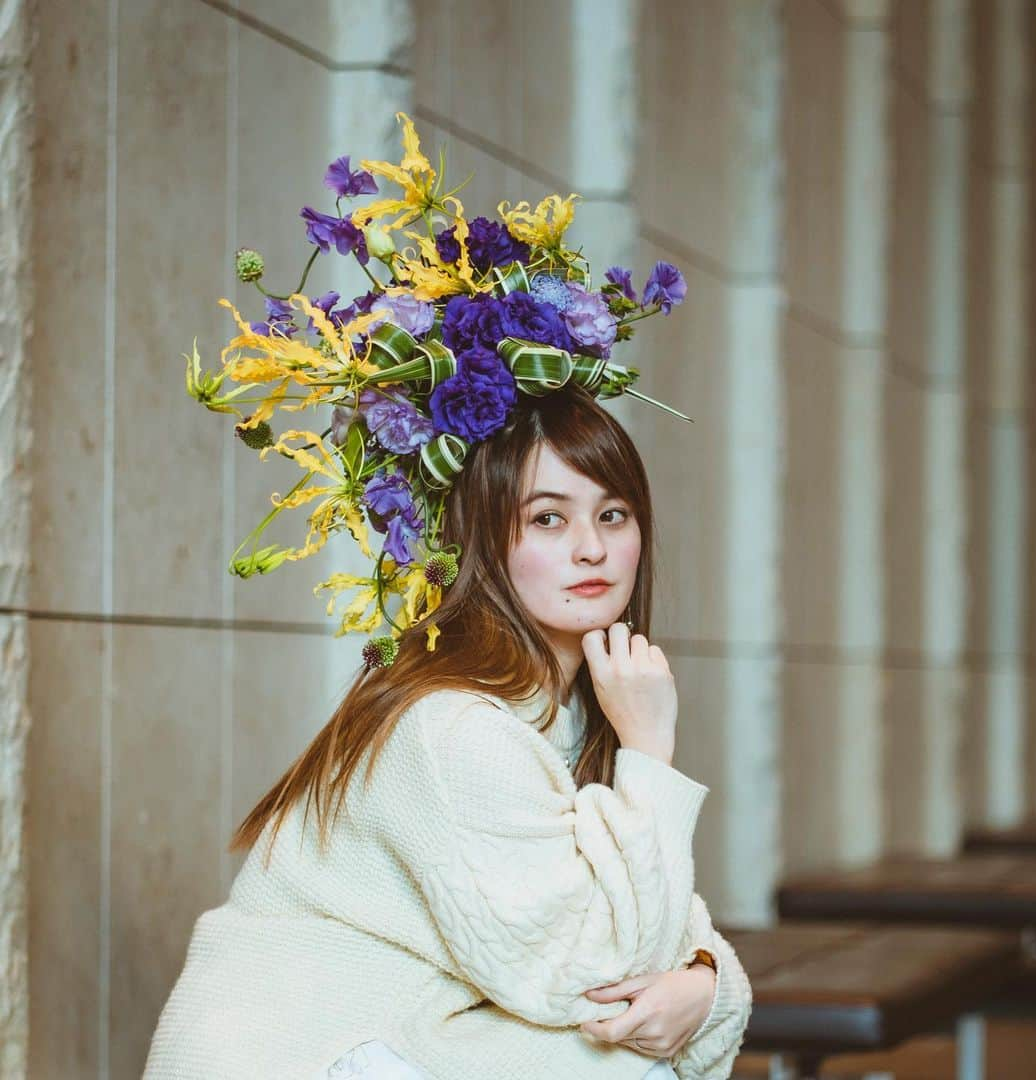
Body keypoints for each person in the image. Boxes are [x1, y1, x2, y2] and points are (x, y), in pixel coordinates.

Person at [144, 384, 752, 1079]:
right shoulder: (454, 729)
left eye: (613, 515)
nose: (592, 548)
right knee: (624, 1061)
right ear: (485, 538)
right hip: (306, 1045)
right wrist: (651, 758)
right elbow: (593, 979)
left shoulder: (572, 711)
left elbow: (667, 921)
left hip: (409, 1027)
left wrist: (704, 984)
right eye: (548, 519)